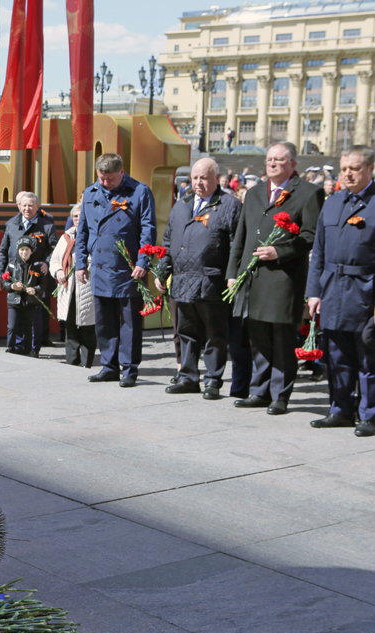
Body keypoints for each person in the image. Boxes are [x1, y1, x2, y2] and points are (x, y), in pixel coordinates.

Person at [226, 141, 324, 415]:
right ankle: (260, 391)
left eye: (279, 160)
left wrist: (279, 251)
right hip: (252, 278)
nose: (272, 164)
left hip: (282, 278)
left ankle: (280, 395)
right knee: (257, 338)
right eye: (269, 159)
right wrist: (233, 274)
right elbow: (241, 237)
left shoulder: (309, 193)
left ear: (293, 164)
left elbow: (310, 236)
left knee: (281, 339)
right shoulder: (255, 192)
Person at [158, 158, 242, 399]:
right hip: (182, 282)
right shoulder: (181, 204)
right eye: (195, 178)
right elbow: (168, 241)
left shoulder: (230, 205)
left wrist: (232, 276)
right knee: (186, 332)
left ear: (217, 179)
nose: (198, 183)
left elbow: (237, 244)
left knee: (215, 334)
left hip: (212, 282)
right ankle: (188, 377)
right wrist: (163, 271)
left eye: (204, 178)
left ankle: (213, 380)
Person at [307, 145, 375, 435]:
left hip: (366, 291)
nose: (347, 173)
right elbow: (319, 251)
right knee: (336, 356)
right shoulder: (333, 202)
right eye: (344, 168)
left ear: (370, 169)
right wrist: (314, 292)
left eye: (355, 168)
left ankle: (369, 415)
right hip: (334, 290)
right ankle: (340, 410)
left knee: (368, 358)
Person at [75, 152, 156, 387]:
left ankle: (129, 369)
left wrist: (143, 262)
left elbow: (148, 230)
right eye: (101, 178)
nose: (104, 183)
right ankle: (109, 366)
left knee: (129, 322)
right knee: (104, 320)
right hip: (99, 267)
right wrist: (81, 263)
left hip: (127, 268)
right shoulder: (91, 193)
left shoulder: (139, 192)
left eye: (109, 178)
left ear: (122, 172)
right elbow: (83, 231)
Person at [0, 192, 57, 356]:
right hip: (15, 277)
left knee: (34, 317)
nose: (27, 208)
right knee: (16, 315)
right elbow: (3, 251)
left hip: (35, 280)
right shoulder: (11, 225)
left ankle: (33, 349)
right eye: (24, 205)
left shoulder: (47, 226)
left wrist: (47, 263)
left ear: (37, 207)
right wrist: (0, 274)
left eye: (31, 205)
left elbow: (55, 250)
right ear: (19, 206)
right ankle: (17, 347)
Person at [51, 204, 96, 367]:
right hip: (68, 288)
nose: (78, 219)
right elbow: (54, 259)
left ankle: (87, 363)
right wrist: (58, 271)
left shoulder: (94, 235)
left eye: (81, 215)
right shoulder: (65, 238)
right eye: (75, 216)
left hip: (87, 288)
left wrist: (86, 265)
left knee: (88, 328)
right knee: (70, 329)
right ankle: (71, 363)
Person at [1, 237, 47, 354]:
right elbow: (5, 282)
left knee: (28, 327)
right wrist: (12, 286)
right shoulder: (12, 265)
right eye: (21, 250)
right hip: (14, 301)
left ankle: (28, 350)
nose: (24, 252)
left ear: (31, 251)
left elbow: (43, 284)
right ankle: (10, 348)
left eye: (27, 249)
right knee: (12, 326)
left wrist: (35, 290)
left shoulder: (36, 265)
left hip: (30, 301)